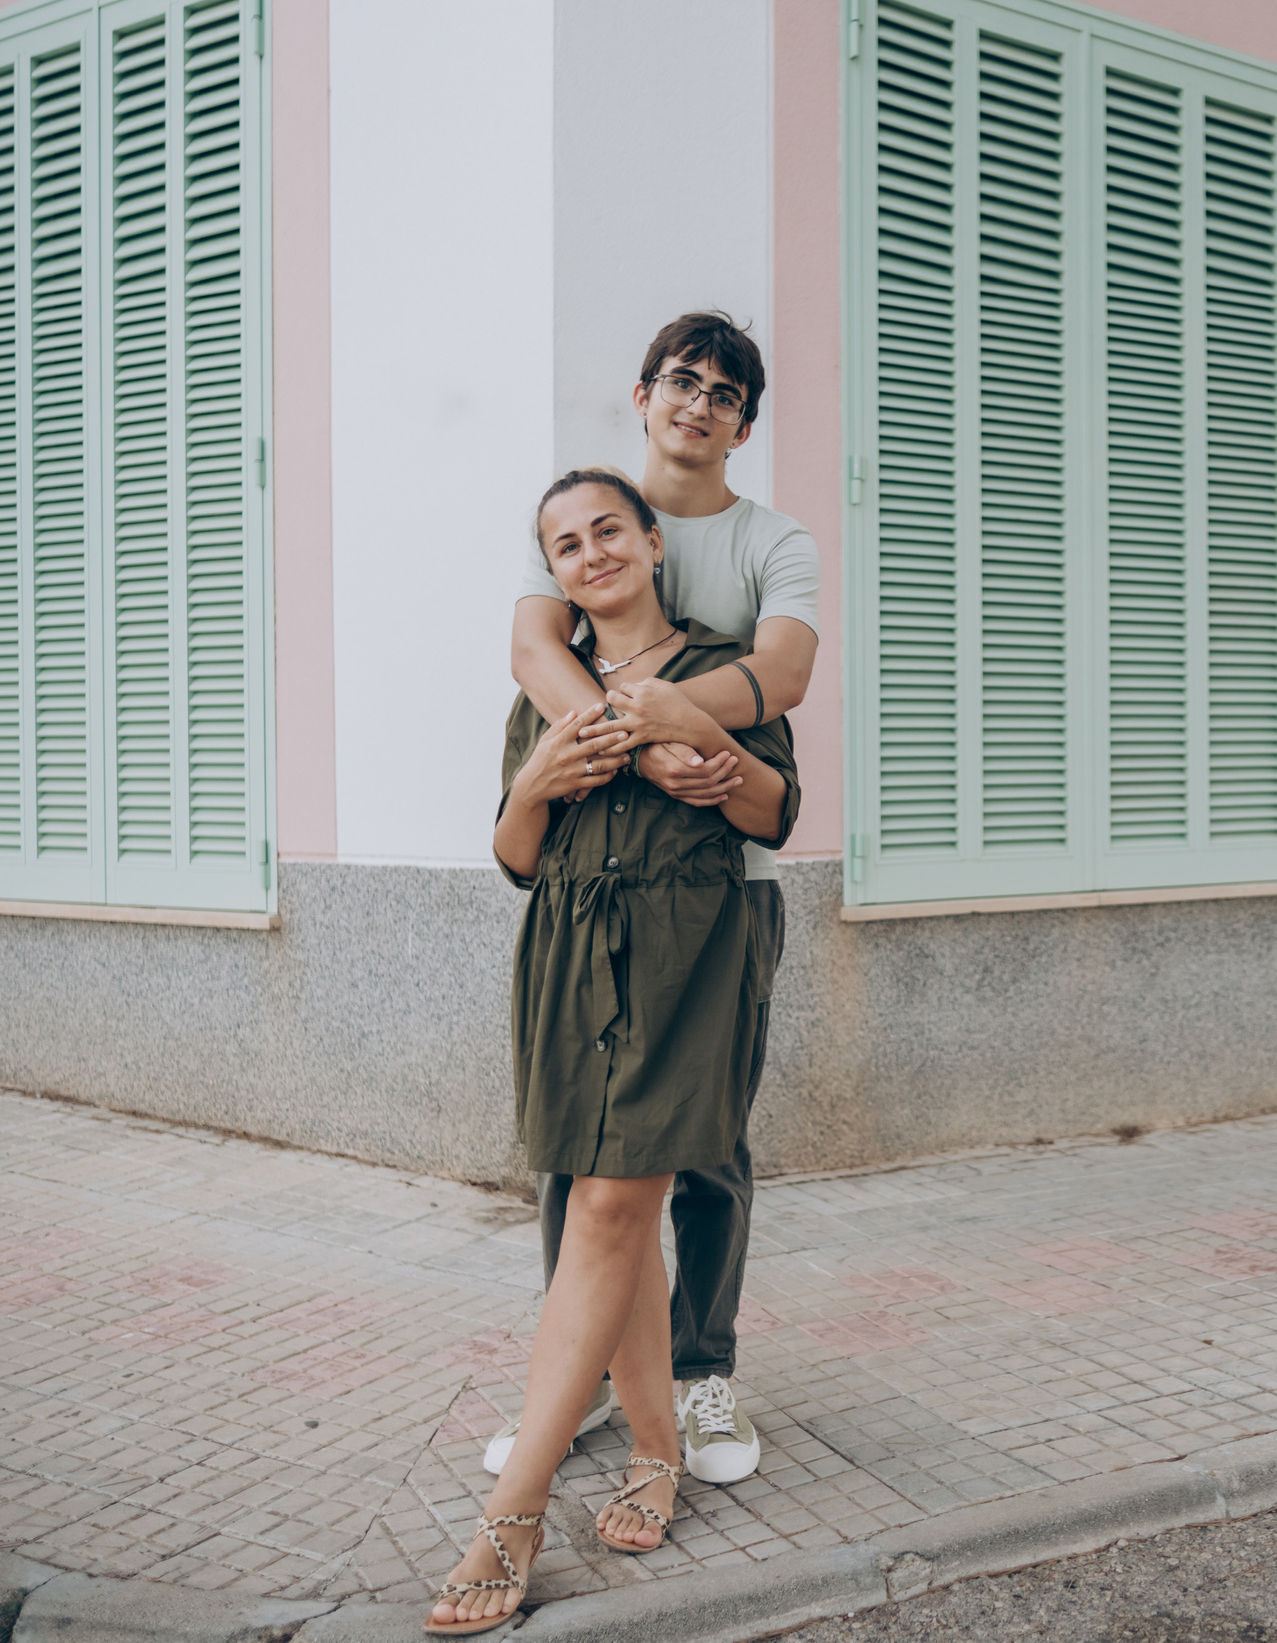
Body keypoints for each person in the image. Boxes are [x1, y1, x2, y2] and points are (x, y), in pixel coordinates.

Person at [427, 467, 800, 1634]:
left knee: (606, 1209)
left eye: (607, 531)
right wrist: (536, 776)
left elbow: (775, 811)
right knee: (609, 1212)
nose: (590, 553)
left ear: (649, 541)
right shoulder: (551, 686)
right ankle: (651, 1448)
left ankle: (513, 1508)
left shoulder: (717, 665)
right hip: (565, 958)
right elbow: (517, 851)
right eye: (565, 543)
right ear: (557, 569)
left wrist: (717, 759)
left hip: (688, 961)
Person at [488, 311, 819, 1490]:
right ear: (642, 394)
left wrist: (693, 728)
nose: (700, 401)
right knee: (580, 1162)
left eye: (726, 391)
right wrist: (635, 741)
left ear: (743, 419)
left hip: (719, 889)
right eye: (682, 379)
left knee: (704, 1145)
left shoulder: (769, 541)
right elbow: (536, 654)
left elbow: (778, 678)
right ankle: (577, 1379)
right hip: (591, 887)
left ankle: (699, 1370)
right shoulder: (587, 509)